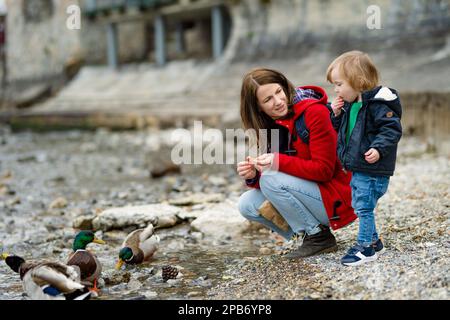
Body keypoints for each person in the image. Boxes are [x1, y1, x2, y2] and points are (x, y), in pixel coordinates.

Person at [237, 67, 356, 258]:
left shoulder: (314, 112)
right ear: (258, 107)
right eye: (268, 100)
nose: (278, 102)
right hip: (312, 195)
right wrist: (253, 176)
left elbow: (324, 170)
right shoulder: (271, 126)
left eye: (278, 92)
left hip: (337, 197)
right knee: (247, 204)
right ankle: (307, 235)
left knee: (270, 179)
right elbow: (281, 180)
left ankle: (318, 237)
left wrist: (276, 161)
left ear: (284, 87)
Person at [326, 50, 402, 266]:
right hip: (358, 167)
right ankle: (375, 241)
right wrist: (337, 115)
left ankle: (365, 248)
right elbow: (342, 132)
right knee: (361, 204)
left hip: (372, 169)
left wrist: (378, 148)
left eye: (339, 84)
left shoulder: (378, 105)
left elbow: (391, 130)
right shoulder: (351, 106)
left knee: (363, 207)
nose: (336, 89)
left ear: (358, 81)